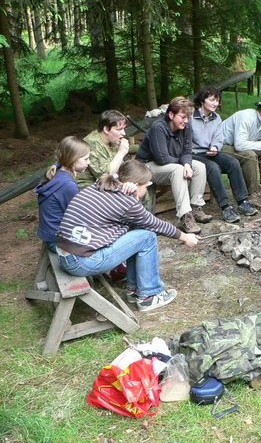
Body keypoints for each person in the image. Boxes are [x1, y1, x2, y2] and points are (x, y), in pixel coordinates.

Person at [56, 160, 199, 312]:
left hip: (66, 255)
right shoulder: (126, 202)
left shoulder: (100, 184)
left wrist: (133, 197)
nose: (147, 190)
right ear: (135, 184)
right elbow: (155, 224)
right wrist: (185, 237)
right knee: (147, 236)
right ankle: (149, 297)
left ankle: (134, 289)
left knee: (136, 230)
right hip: (83, 262)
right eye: (146, 186)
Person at [136, 96, 211, 233]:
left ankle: (196, 207)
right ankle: (185, 216)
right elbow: (162, 158)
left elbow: (187, 151)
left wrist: (187, 164)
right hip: (146, 167)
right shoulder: (158, 127)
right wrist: (184, 164)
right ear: (171, 115)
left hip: (172, 163)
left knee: (199, 166)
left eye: (188, 117)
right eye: (183, 117)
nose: (186, 120)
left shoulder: (186, 127)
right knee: (178, 170)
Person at [190, 87, 258, 224]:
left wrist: (215, 147)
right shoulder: (191, 117)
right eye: (212, 100)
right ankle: (225, 206)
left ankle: (242, 201)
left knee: (233, 163)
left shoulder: (216, 118)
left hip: (211, 152)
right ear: (202, 100)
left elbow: (219, 137)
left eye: (217, 100)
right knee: (213, 167)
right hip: (193, 154)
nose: (215, 103)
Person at [36, 136, 90, 253]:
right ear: (73, 159)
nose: (89, 162)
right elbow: (78, 218)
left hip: (51, 235)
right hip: (59, 241)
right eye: (86, 159)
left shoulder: (59, 170)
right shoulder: (68, 185)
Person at [77, 110, 130, 188]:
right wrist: (121, 153)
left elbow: (120, 167)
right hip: (88, 186)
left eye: (124, 129)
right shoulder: (93, 144)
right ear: (106, 130)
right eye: (119, 129)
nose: (124, 133)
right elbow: (105, 177)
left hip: (106, 183)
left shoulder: (112, 139)